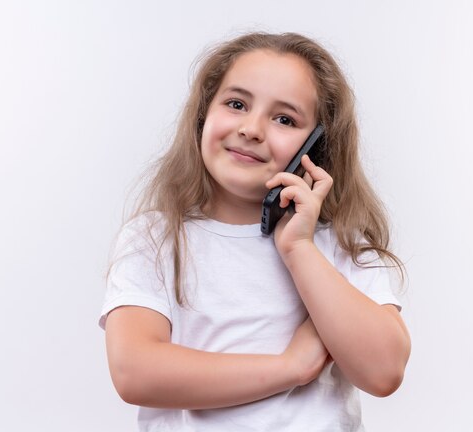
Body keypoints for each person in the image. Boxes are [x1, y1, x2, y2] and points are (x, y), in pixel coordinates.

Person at [99, 32, 411, 431]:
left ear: (316, 147)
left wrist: (299, 248)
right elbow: (135, 373)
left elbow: (383, 372)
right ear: (203, 116)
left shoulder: (339, 245)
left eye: (284, 119)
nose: (251, 128)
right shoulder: (156, 238)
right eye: (236, 104)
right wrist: (290, 368)